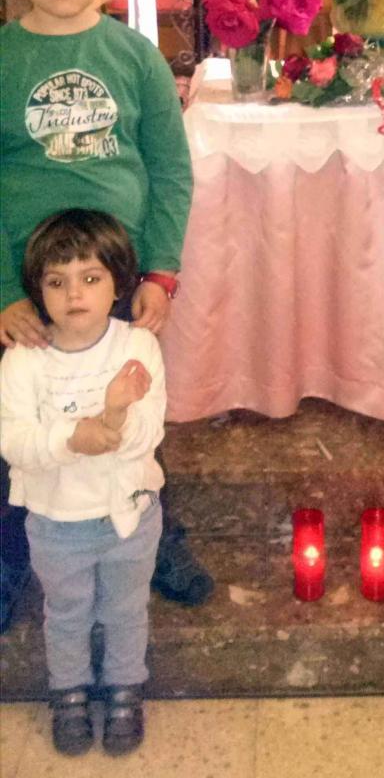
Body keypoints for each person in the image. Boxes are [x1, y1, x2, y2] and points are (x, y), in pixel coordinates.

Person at [0, 0, 213, 634]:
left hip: (115, 280)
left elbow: (169, 170)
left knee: (130, 409)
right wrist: (4, 292)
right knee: (23, 422)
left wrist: (160, 271)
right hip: (28, 287)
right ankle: (10, 559)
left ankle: (154, 538)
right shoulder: (2, 57)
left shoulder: (136, 57)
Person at [0, 209, 166, 755]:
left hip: (130, 516)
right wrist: (73, 437)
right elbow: (14, 441)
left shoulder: (136, 346)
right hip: (56, 522)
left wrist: (113, 419)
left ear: (117, 284)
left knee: (126, 608)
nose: (74, 293)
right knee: (66, 613)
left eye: (90, 278)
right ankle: (67, 692)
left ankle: (125, 688)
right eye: (56, 281)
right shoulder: (24, 360)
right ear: (37, 291)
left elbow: (147, 432)